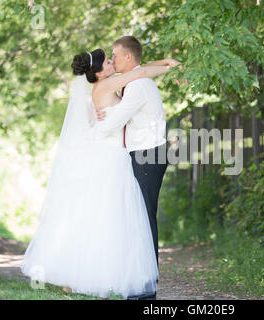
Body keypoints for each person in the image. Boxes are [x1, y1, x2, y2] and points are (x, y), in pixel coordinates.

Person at [20, 47, 180, 299]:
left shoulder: (97, 89)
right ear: (98, 71)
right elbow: (144, 72)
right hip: (112, 156)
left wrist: (163, 60)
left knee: (95, 218)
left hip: (107, 153)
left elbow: (137, 68)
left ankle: (74, 275)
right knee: (111, 219)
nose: (112, 62)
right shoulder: (109, 84)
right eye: (107, 61)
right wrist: (172, 67)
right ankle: (95, 274)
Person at [94, 36, 173, 300]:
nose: (112, 60)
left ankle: (146, 287)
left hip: (148, 156)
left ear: (129, 58)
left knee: (145, 218)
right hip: (144, 154)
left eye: (115, 55)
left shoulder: (138, 87)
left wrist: (91, 131)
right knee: (140, 217)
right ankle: (143, 280)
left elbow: (115, 121)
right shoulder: (134, 82)